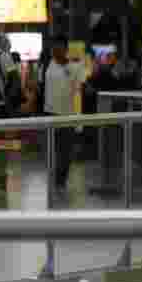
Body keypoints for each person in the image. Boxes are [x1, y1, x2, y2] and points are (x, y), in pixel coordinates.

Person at [44, 35, 89, 193]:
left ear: (65, 49)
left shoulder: (75, 68)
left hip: (67, 115)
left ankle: (61, 181)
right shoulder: (48, 65)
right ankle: (54, 179)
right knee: (52, 150)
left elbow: (85, 86)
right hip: (49, 114)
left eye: (58, 47)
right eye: (53, 47)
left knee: (65, 152)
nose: (55, 50)